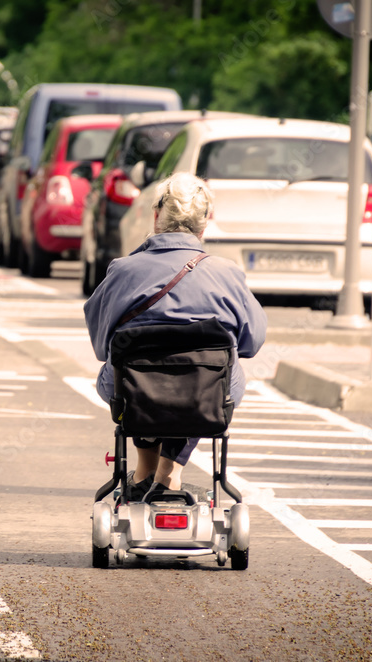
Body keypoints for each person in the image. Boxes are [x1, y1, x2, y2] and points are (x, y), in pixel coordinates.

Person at [84, 172, 267, 499]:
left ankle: (145, 470)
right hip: (206, 395)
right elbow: (252, 342)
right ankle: (171, 471)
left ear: (156, 216)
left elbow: (101, 346)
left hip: (133, 392)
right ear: (204, 224)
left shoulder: (123, 271)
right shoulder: (227, 273)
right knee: (218, 378)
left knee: (126, 370)